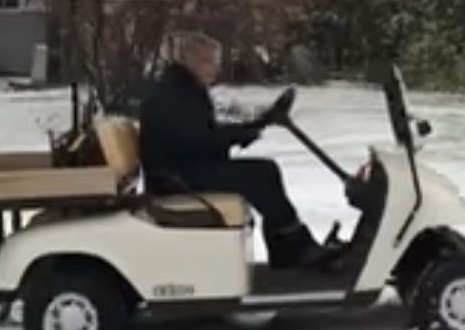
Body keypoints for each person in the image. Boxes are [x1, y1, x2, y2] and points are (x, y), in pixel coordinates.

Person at [139, 31, 329, 269]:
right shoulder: (174, 94)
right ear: (191, 60)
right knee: (260, 175)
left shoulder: (182, 89)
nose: (215, 69)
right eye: (209, 61)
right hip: (177, 178)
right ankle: (295, 247)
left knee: (266, 171)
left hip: (184, 168)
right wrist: (239, 134)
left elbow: (200, 133)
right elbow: (197, 138)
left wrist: (247, 129)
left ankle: (288, 249)